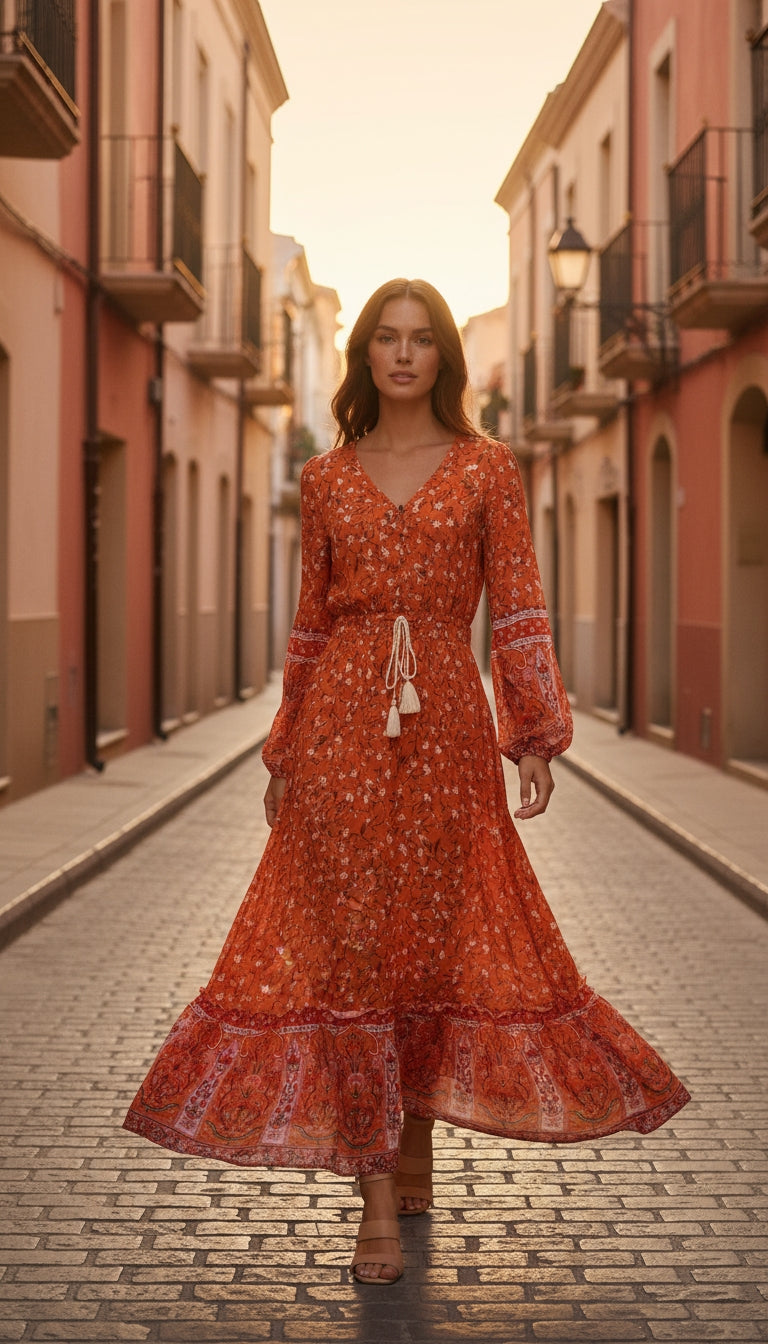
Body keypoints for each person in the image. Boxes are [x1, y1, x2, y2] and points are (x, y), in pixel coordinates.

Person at [124, 278, 690, 1287]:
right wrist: (286, 743)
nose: (401, 354)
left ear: (442, 360)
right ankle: (376, 1197)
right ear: (362, 355)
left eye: (420, 340)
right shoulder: (326, 477)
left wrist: (532, 732)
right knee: (352, 958)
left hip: (445, 736)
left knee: (424, 950)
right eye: (384, 338)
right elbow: (307, 627)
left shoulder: (487, 468)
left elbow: (517, 604)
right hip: (342, 727)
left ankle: (415, 1138)